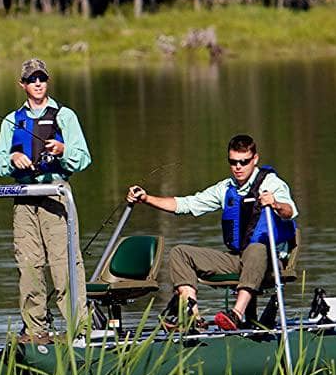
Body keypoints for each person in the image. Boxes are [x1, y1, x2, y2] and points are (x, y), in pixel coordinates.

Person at [126, 135, 297, 331]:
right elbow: (186, 204)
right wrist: (146, 198)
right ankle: (193, 317)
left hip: (271, 262)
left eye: (244, 162)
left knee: (256, 247)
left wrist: (274, 203)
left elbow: (290, 211)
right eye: (233, 162)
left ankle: (236, 314)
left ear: (255, 159)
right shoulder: (225, 188)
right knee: (180, 253)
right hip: (240, 259)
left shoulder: (272, 183)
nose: (238, 167)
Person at [0, 58, 91, 343]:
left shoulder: (65, 116)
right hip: (24, 199)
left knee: (64, 265)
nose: (37, 83)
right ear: (22, 85)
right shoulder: (12, 121)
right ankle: (36, 330)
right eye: (31, 79)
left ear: (47, 81)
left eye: (41, 78)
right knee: (29, 266)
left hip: (56, 196)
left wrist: (62, 150)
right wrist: (12, 159)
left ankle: (78, 330)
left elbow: (83, 158)